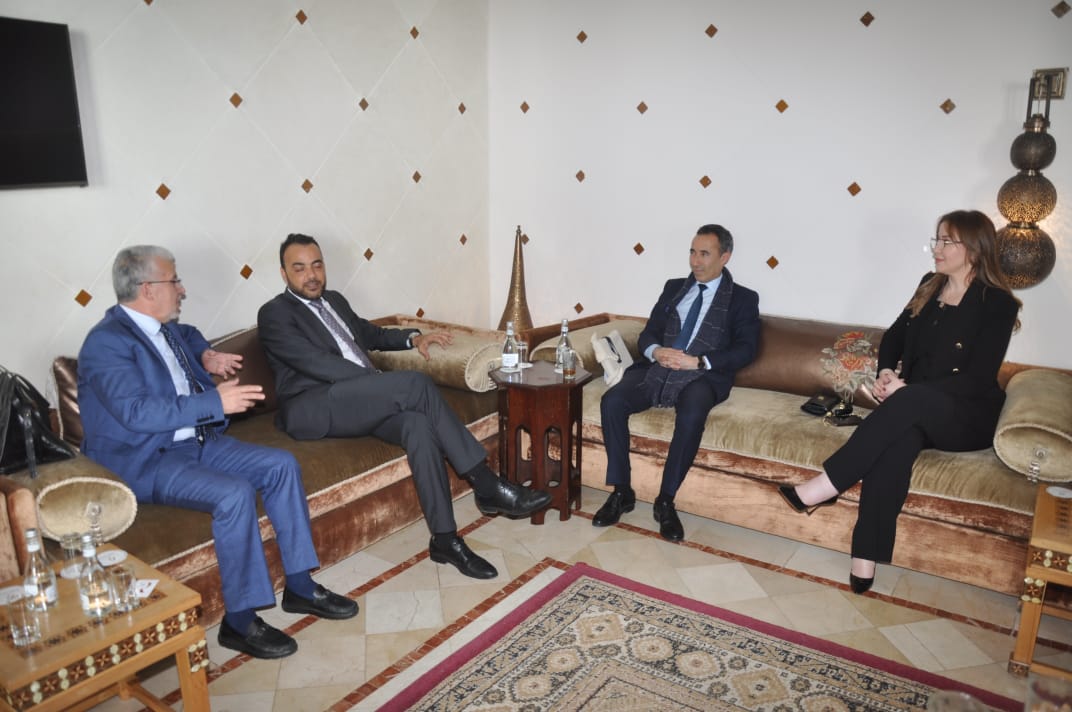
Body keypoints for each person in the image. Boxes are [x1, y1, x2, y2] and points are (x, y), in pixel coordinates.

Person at [78, 246, 357, 661]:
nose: (182, 289)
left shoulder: (164, 328)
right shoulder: (106, 344)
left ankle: (300, 586)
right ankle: (239, 622)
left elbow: (189, 336)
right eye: (174, 281)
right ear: (148, 288)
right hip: (149, 458)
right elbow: (136, 412)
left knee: (281, 465)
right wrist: (214, 403)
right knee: (233, 494)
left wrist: (205, 354)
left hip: (198, 442)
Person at [257, 234, 551, 580]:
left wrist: (413, 338)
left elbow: (369, 334)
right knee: (414, 384)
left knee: (417, 426)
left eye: (317, 265)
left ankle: (445, 539)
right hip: (315, 404)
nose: (311, 275)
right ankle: (485, 483)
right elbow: (315, 363)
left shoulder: (333, 300)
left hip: (359, 398)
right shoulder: (274, 314)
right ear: (284, 273)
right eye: (300, 268)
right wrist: (380, 385)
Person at [778, 210, 1022, 593]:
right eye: (937, 239)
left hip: (966, 414)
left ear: (974, 249)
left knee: (911, 402)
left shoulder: (997, 304)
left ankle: (827, 485)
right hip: (913, 406)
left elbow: (977, 378)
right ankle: (865, 556)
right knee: (898, 443)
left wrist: (906, 391)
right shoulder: (929, 285)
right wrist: (886, 373)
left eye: (947, 241)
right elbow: (893, 337)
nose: (936, 248)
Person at [593, 224, 760, 541]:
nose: (695, 261)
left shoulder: (743, 299)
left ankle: (665, 501)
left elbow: (746, 349)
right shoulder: (674, 288)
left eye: (705, 254)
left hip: (704, 373)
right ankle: (622, 491)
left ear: (725, 257)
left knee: (693, 412)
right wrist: (657, 351)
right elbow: (649, 333)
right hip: (658, 367)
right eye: (692, 252)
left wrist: (699, 361)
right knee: (612, 401)